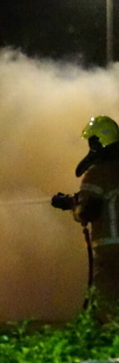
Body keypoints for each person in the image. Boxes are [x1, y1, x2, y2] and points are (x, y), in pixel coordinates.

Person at [52, 115, 119, 313]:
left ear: (100, 141)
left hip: (111, 249)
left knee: (106, 305)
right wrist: (73, 199)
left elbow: (87, 212)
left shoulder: (97, 172)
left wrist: (74, 207)